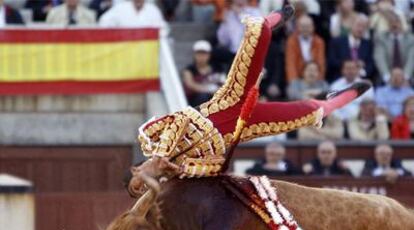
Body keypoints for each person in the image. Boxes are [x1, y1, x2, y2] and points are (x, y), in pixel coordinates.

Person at [128, 8, 371, 194]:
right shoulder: (180, 178)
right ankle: (338, 99)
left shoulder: (149, 138)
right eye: (143, 188)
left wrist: (162, 155)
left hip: (226, 101)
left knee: (254, 41)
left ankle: (274, 18)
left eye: (140, 182)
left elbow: (179, 119)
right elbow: (213, 168)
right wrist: (181, 168)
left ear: (139, 168)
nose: (147, 184)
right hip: (241, 128)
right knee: (303, 116)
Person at [328, 14, 373, 81]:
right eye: (358, 25)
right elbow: (331, 61)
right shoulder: (337, 42)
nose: (360, 29)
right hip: (340, 79)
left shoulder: (368, 44)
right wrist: (350, 66)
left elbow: (371, 64)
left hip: (360, 80)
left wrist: (361, 73)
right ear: (351, 25)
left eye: (364, 27)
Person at [182, 40, 225, 107]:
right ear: (194, 55)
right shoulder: (189, 70)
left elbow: (223, 83)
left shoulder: (217, 68)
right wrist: (208, 89)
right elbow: (190, 84)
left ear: (209, 55)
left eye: (204, 54)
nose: (201, 57)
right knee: (203, 96)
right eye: (199, 54)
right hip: (194, 100)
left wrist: (216, 90)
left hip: (214, 97)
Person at [285, 14, 325, 83]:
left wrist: (319, 80)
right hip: (298, 77)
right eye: (303, 26)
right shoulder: (291, 41)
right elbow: (290, 63)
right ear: (298, 27)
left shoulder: (319, 42)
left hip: (315, 77)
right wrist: (293, 82)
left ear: (313, 27)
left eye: (308, 26)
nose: (305, 29)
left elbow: (320, 62)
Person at [374, 16, 414, 84]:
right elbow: (380, 58)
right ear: (388, 25)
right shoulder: (381, 38)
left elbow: (412, 59)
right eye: (392, 23)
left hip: (407, 76)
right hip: (387, 76)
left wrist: (405, 77)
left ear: (401, 24)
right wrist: (388, 77)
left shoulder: (411, 39)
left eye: (397, 22)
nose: (394, 25)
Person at [99, 0, 168, 35]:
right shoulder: (121, 8)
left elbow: (163, 29)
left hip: (146, 49)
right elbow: (103, 22)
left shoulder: (153, 10)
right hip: (124, 48)